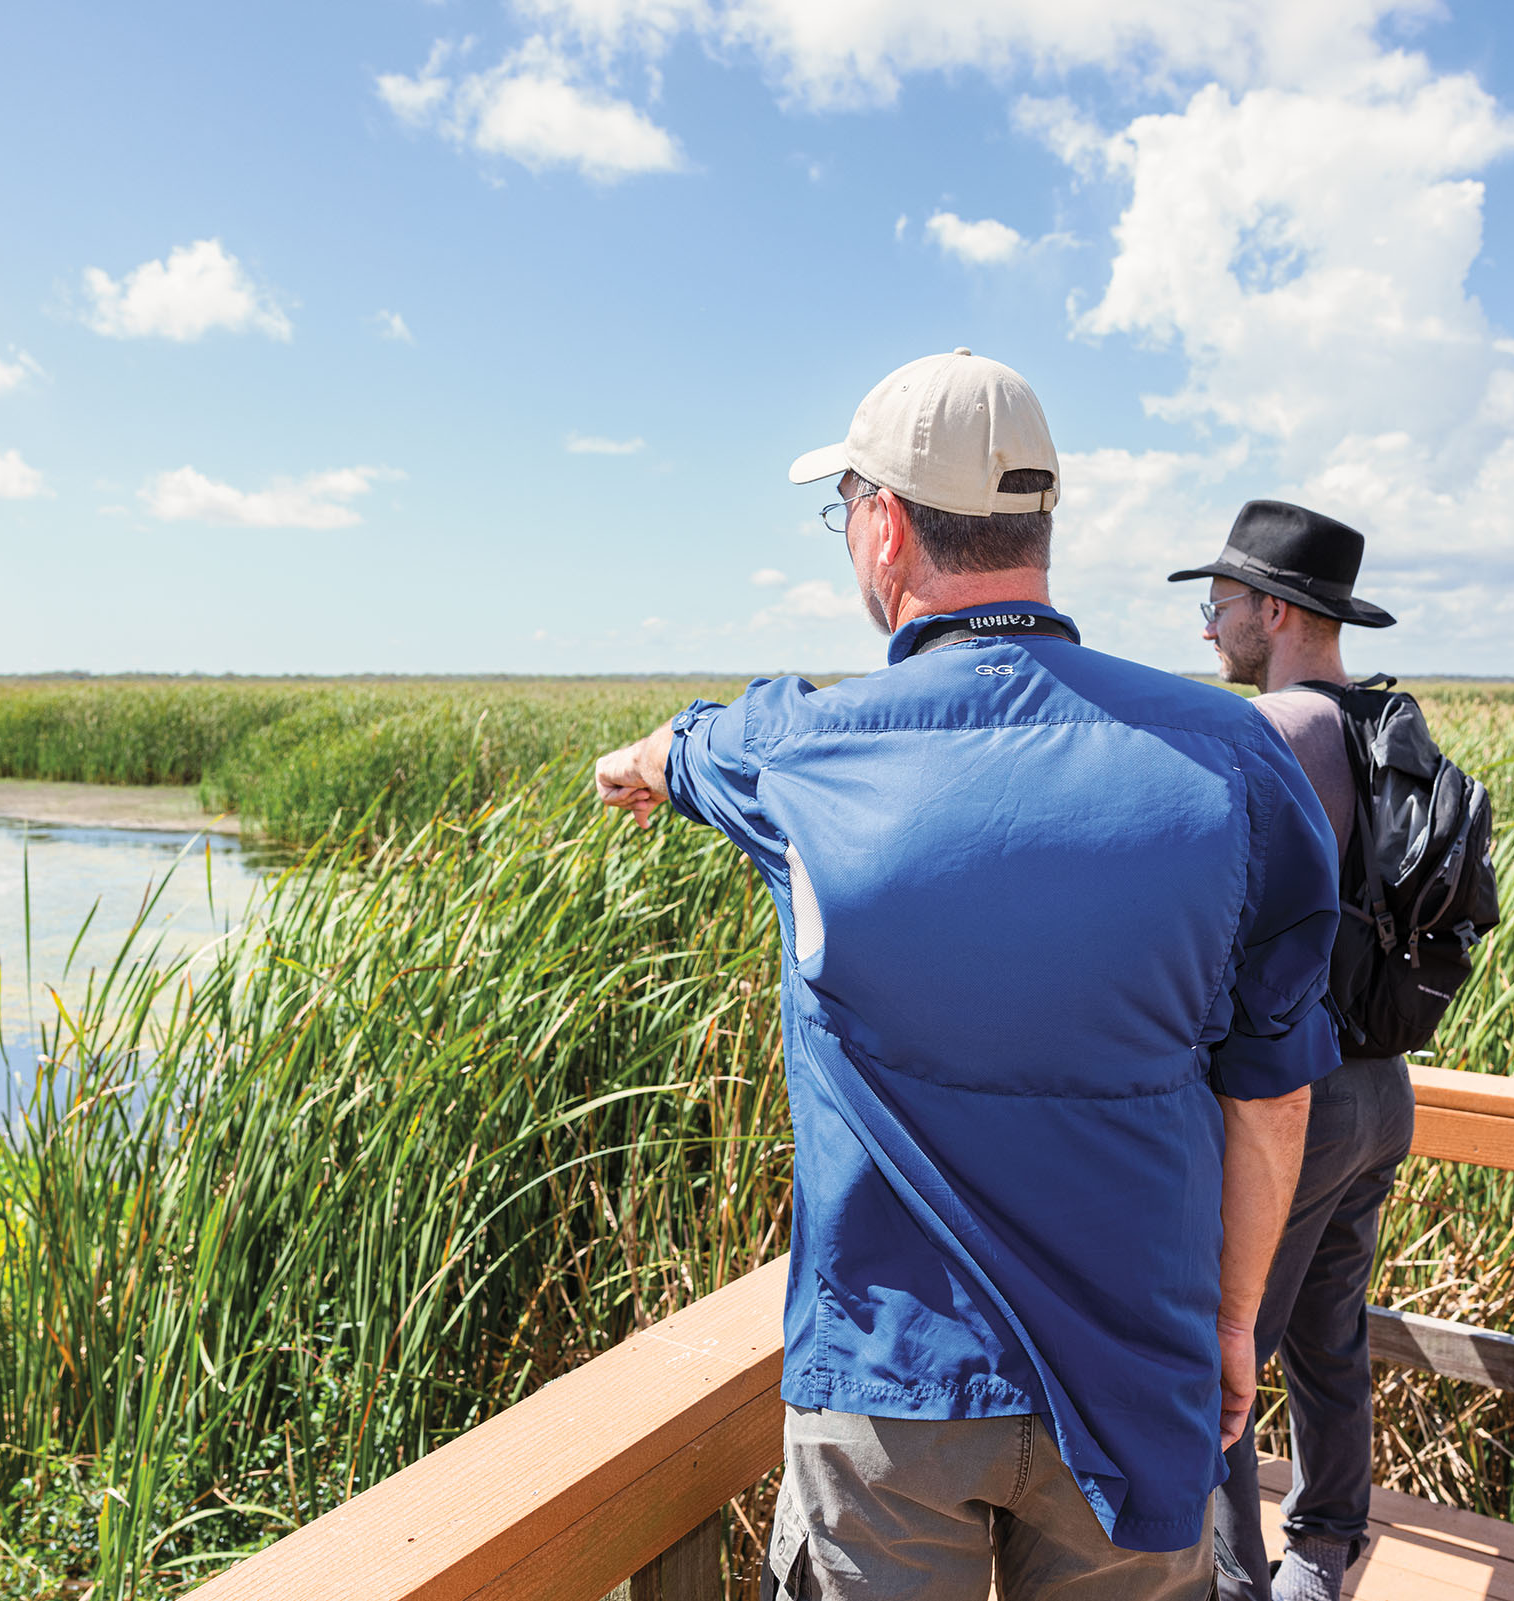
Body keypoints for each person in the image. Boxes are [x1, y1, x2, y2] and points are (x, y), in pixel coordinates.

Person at [593, 351, 1342, 1600]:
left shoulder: (801, 754)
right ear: (1039, 525)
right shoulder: (1234, 762)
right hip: (1138, 1366)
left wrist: (631, 762)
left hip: (890, 1383)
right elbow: (1271, 1093)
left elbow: (676, 749)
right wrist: (1228, 1318)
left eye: (842, 509)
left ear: (885, 526)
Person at [1168, 502, 1413, 1601]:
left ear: (1274, 609)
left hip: (1298, 1097)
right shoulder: (1388, 727)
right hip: (1383, 1088)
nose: (1208, 629)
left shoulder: (1277, 733)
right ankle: (1322, 1549)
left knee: (1222, 1349)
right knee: (1328, 1333)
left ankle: (1233, 1581)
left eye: (1218, 606)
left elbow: (1217, 919)